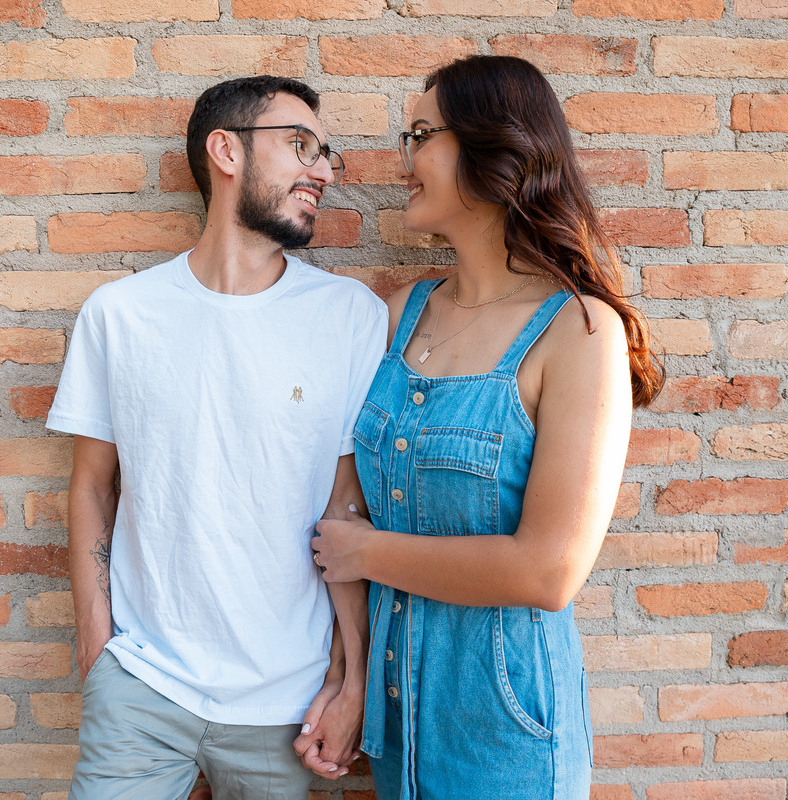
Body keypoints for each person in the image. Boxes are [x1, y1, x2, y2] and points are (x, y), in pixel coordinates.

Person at [310, 55, 665, 800]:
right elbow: (342, 502)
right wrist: (348, 683)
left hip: (505, 739)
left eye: (421, 134)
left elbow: (548, 572)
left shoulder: (578, 331)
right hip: (396, 725)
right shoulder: (397, 313)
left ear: (492, 148)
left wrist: (368, 552)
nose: (404, 159)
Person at [47, 75, 386, 800]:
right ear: (225, 151)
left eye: (327, 155)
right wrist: (96, 643)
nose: (323, 171)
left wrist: (351, 677)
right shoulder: (120, 315)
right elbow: (91, 485)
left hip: (288, 702)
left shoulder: (350, 316)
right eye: (301, 146)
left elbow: (347, 511)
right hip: (141, 684)